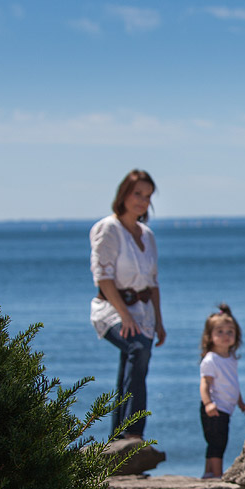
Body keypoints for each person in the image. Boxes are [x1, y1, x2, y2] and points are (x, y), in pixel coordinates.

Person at [90, 169, 165, 439]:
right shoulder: (108, 229)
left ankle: (116, 440)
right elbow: (103, 278)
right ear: (123, 194)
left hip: (143, 311)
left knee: (131, 367)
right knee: (137, 350)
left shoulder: (147, 235)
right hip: (112, 309)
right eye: (137, 193)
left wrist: (158, 321)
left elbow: (153, 283)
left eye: (147, 196)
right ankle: (132, 433)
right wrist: (126, 316)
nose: (142, 201)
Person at [199, 304, 245, 479]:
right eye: (219, 331)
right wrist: (208, 404)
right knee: (217, 442)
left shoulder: (230, 358)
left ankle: (208, 472)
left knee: (216, 441)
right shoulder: (211, 359)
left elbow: (232, 383)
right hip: (214, 407)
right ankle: (216, 473)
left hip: (226, 408)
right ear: (210, 336)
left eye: (230, 331)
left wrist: (240, 402)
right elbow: (204, 384)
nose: (225, 336)